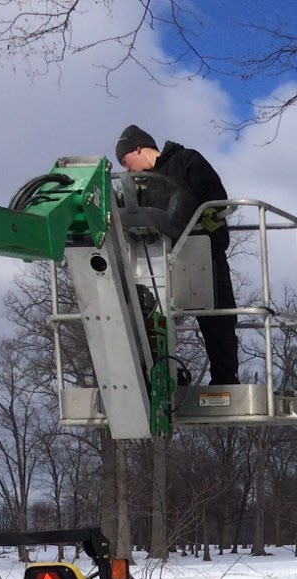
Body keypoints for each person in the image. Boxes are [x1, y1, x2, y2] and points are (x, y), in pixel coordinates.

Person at [114, 125, 239, 385]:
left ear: (138, 149)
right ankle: (158, 376)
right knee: (149, 320)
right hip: (156, 260)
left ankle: (225, 379)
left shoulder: (186, 161)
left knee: (217, 318)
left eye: (125, 162)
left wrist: (209, 217)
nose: (126, 170)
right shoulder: (137, 186)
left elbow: (213, 193)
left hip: (201, 250)